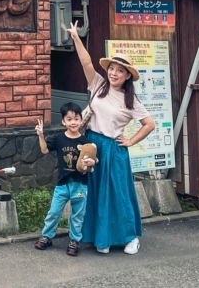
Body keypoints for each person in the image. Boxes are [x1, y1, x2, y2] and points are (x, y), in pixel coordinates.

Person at [67, 21, 155, 255]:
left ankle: (131, 237)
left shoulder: (130, 101)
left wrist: (131, 141)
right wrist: (76, 37)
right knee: (95, 193)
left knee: (119, 194)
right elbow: (86, 62)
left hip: (114, 150)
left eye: (120, 70)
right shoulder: (98, 84)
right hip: (92, 145)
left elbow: (149, 124)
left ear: (127, 76)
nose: (114, 73)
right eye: (112, 68)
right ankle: (101, 238)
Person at [34, 102, 95, 257]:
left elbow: (94, 161)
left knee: (77, 215)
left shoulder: (85, 142)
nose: (73, 122)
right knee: (54, 212)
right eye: (69, 119)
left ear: (81, 120)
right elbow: (44, 150)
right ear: (63, 121)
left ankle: (74, 241)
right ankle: (47, 236)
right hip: (62, 184)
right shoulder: (59, 138)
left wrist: (90, 162)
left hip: (80, 184)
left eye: (76, 119)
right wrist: (41, 135)